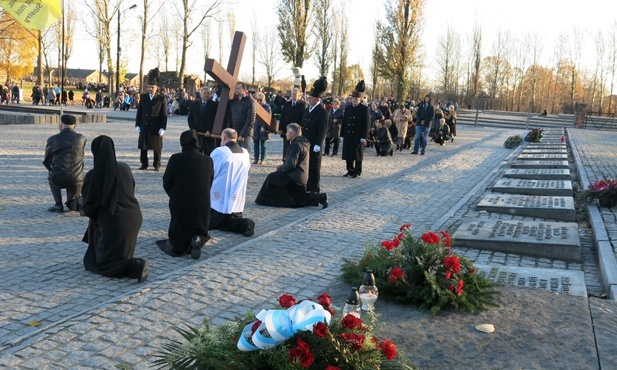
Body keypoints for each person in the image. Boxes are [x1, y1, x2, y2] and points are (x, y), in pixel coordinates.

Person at [81, 135, 147, 282]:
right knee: (120, 252)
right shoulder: (125, 168)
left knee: (103, 265)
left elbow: (89, 205)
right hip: (135, 217)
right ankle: (129, 262)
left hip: (113, 224)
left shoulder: (94, 175)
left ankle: (134, 266)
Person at [158, 130, 213, 260]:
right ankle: (198, 238)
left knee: (179, 227)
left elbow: (167, 181)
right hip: (202, 202)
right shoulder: (208, 160)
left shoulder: (176, 158)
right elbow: (210, 181)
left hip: (180, 201)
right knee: (199, 222)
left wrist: (174, 195)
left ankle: (182, 242)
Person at [255, 123, 328, 209]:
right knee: (299, 199)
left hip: (295, 177)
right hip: (301, 175)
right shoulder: (302, 142)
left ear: (293, 134)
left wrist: (280, 168)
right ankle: (319, 197)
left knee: (272, 177)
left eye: (287, 132)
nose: (285, 134)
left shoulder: (295, 145)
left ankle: (266, 200)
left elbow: (291, 165)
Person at [210, 128, 255, 236]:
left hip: (219, 200)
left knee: (211, 222)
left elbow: (210, 172)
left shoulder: (220, 152)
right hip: (237, 197)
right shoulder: (245, 153)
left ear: (224, 138)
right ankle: (243, 224)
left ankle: (243, 224)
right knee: (230, 218)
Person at [43, 114, 87, 213]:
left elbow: (47, 160)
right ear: (75, 126)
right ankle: (75, 202)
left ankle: (58, 204)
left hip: (58, 177)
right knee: (73, 205)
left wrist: (52, 170)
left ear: (60, 126)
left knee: (51, 176)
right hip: (77, 178)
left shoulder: (53, 139)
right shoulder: (82, 139)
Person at [300, 76, 329, 193]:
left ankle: (314, 189)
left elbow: (323, 129)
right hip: (305, 143)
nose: (308, 99)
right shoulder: (307, 110)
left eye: (310, 98)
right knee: (305, 166)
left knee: (314, 167)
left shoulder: (323, 112)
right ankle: (306, 187)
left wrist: (318, 143)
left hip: (315, 144)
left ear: (317, 100)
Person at [136, 68, 167, 171]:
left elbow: (164, 114)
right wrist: (137, 125)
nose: (151, 89)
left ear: (156, 87)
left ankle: (156, 164)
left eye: (152, 87)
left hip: (156, 126)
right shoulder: (143, 97)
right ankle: (144, 164)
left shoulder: (161, 99)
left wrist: (163, 127)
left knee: (156, 147)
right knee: (143, 147)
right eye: (149, 87)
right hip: (144, 124)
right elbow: (139, 112)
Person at [341, 80, 370, 178]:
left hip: (358, 135)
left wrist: (364, 136)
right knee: (348, 153)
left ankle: (357, 171)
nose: (354, 100)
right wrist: (342, 134)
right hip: (348, 134)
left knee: (358, 154)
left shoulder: (364, 109)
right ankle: (350, 170)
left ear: (360, 99)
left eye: (356, 98)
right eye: (353, 98)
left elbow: (366, 124)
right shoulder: (348, 108)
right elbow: (344, 121)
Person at [187, 87, 218, 155]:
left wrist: (209, 130)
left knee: (208, 153)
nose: (206, 95)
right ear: (201, 94)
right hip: (197, 134)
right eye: (205, 93)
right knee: (197, 153)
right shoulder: (194, 104)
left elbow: (214, 119)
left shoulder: (214, 105)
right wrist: (193, 129)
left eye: (208, 93)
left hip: (208, 134)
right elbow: (190, 118)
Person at [226, 81, 255, 152]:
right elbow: (229, 118)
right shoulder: (233, 102)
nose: (236, 90)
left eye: (238, 88)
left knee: (244, 155)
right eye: (235, 88)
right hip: (234, 133)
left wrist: (242, 134)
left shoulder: (250, 102)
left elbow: (250, 120)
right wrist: (229, 131)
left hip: (245, 135)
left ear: (244, 90)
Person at [279, 88, 306, 161]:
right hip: (286, 129)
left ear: (299, 95)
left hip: (296, 130)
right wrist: (280, 128)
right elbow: (282, 117)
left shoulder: (302, 105)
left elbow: (303, 119)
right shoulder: (287, 104)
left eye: (295, 94)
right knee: (286, 146)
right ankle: (285, 159)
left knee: (295, 146)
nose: (293, 95)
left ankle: (293, 160)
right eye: (292, 94)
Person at [252, 92, 271, 164]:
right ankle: (256, 159)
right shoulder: (255, 106)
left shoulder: (267, 107)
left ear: (264, 99)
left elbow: (269, 119)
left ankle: (262, 159)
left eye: (261, 100)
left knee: (263, 145)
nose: (259, 101)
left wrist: (265, 127)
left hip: (263, 128)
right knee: (256, 144)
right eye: (258, 100)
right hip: (256, 126)